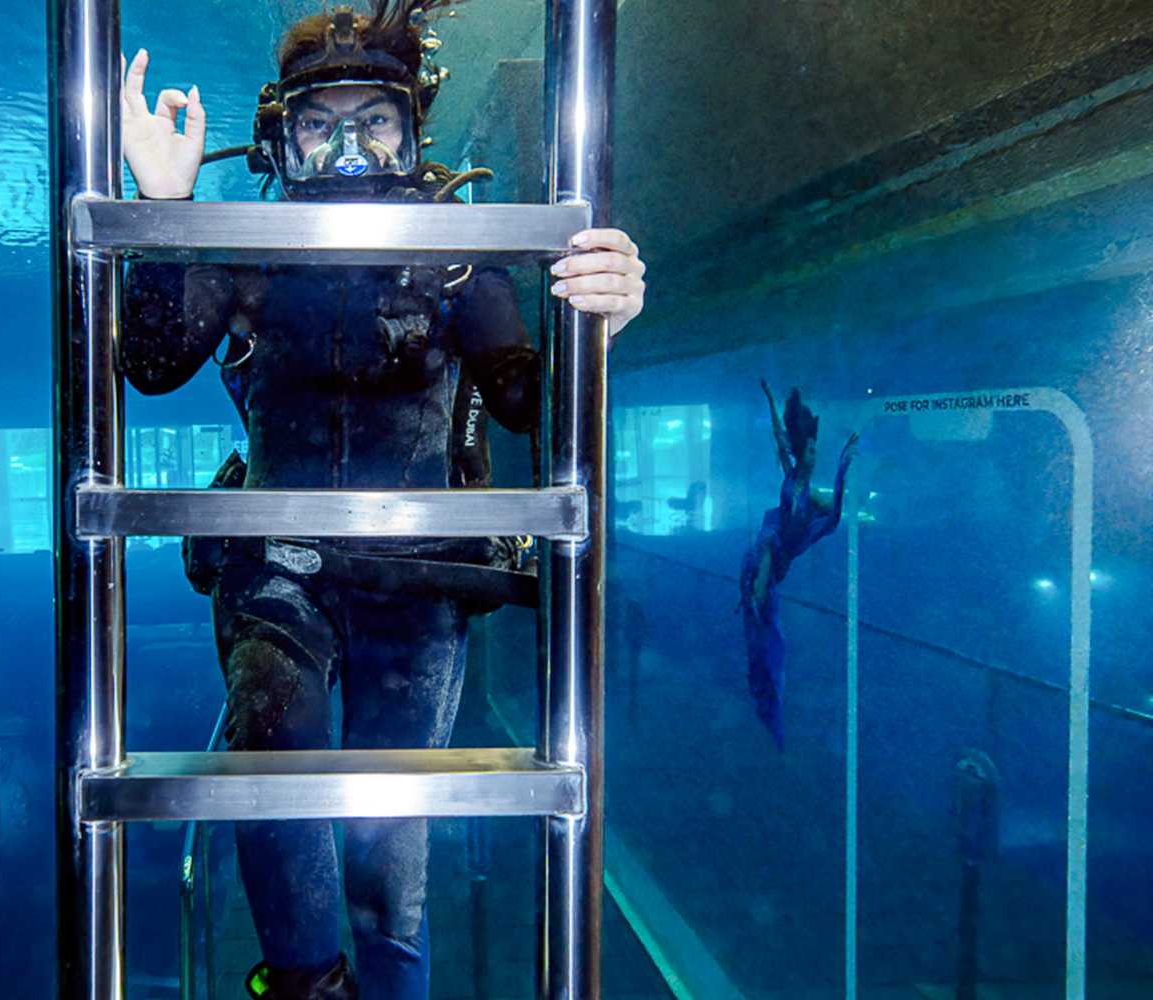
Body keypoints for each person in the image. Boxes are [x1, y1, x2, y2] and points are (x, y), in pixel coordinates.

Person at [117, 2, 645, 997]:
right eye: (321, 126)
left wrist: (601, 319)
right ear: (281, 137)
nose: (351, 151)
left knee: (385, 861)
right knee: (270, 738)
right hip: (281, 571)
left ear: (411, 131)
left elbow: (528, 397)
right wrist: (164, 211)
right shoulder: (249, 252)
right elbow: (147, 363)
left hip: (418, 588)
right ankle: (309, 986)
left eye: (375, 123)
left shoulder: (449, 253)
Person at [737, 381, 858, 751]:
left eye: (814, 451)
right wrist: (771, 400)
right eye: (810, 450)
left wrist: (842, 468)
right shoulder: (790, 474)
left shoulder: (817, 498)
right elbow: (779, 435)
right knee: (767, 545)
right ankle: (755, 600)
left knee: (769, 639)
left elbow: (837, 515)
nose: (812, 456)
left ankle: (758, 604)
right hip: (771, 546)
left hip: (784, 554)